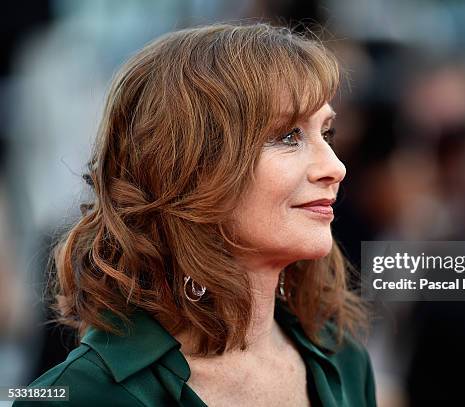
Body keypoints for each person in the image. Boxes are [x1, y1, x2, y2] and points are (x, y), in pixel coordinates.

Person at [15, 23, 376, 406]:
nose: (335, 167)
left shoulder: (344, 359)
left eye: (327, 133)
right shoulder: (76, 396)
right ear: (190, 170)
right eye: (288, 135)